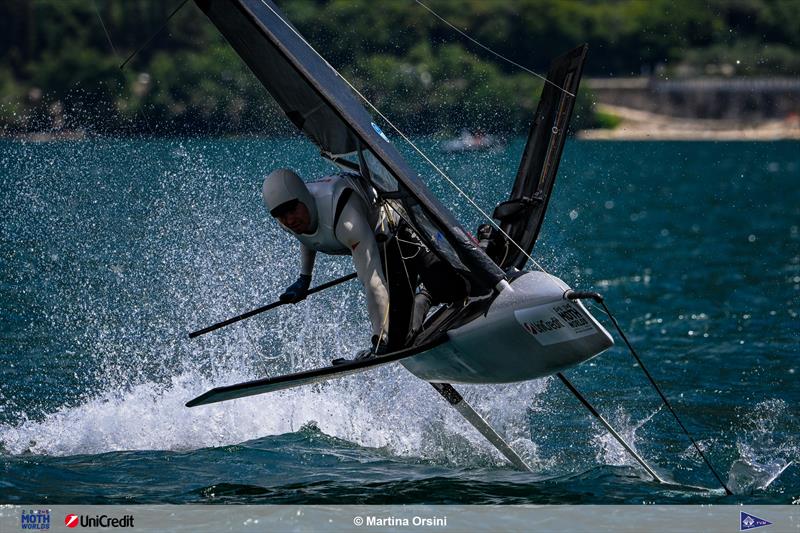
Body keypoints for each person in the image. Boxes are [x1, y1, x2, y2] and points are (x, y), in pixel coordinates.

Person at [263, 168, 395, 360]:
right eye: (281, 215)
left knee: (396, 328)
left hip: (394, 235)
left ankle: (389, 335)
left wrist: (381, 339)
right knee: (397, 323)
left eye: (292, 210)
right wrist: (304, 277)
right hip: (370, 241)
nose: (289, 220)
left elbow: (372, 279)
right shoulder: (287, 219)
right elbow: (307, 235)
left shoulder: (345, 217)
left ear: (304, 198)